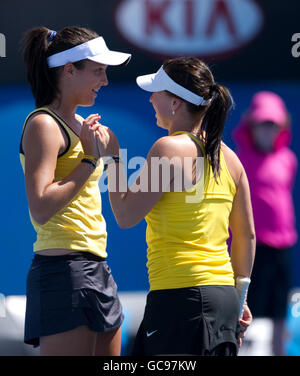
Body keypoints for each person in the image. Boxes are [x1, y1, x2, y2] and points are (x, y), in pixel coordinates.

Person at [96, 57, 256, 355]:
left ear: (175, 104)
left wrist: (112, 157)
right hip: (223, 300)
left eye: (157, 92)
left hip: (180, 301)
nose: (151, 98)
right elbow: (246, 236)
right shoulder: (231, 158)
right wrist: (240, 299)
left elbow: (126, 214)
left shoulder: (167, 149)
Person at [19, 26, 131, 356]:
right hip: (63, 274)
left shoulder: (92, 131)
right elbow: (40, 206)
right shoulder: (43, 124)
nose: (105, 81)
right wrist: (90, 159)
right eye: (98, 71)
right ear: (69, 70)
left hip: (99, 268)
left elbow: (125, 207)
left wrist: (114, 152)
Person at [233, 91, 298, 356]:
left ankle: (278, 353)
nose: (267, 130)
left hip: (282, 246)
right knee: (248, 308)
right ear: (251, 125)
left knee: (279, 310)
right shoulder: (239, 160)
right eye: (263, 124)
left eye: (273, 124)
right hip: (251, 247)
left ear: (282, 127)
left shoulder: (288, 160)